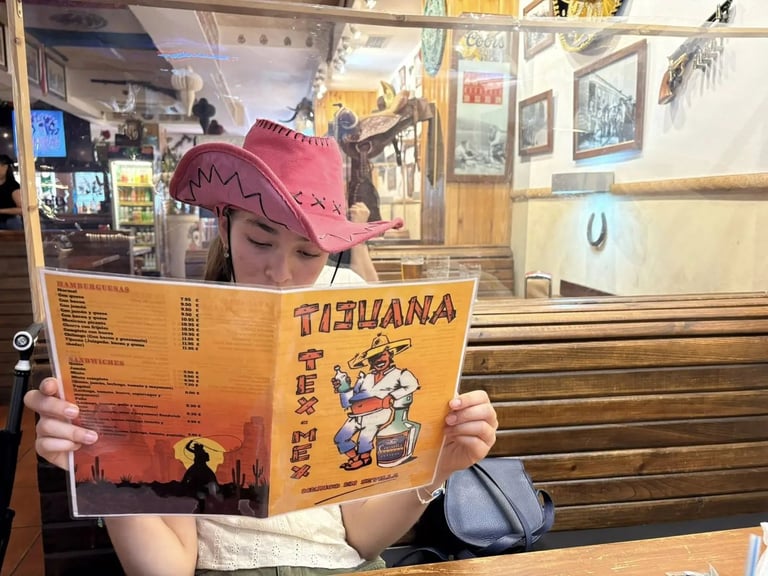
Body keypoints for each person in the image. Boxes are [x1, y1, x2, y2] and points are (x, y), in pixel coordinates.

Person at [24, 118, 498, 576]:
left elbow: (361, 539)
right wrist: (95, 459)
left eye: (308, 253)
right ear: (224, 224)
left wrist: (439, 466)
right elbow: (166, 568)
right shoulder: (171, 337)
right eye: (259, 239)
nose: (282, 273)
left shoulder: (342, 324)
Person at [0, 154, 22, 230]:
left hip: (9, 222)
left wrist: (1, 211)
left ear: (5, 167)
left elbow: (22, 210)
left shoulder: (13, 186)